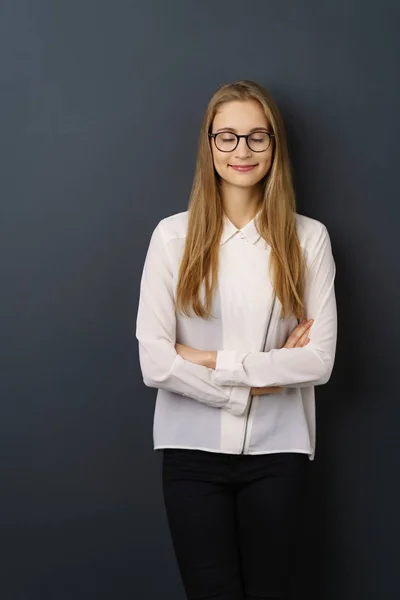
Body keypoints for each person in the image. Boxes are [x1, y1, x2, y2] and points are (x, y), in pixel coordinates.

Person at [136, 80, 337, 600]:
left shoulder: (307, 238)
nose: (241, 151)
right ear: (208, 145)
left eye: (256, 137)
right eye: (226, 137)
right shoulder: (171, 237)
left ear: (275, 146)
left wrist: (206, 359)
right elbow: (155, 363)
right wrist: (251, 382)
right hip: (190, 453)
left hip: (279, 451)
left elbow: (318, 361)